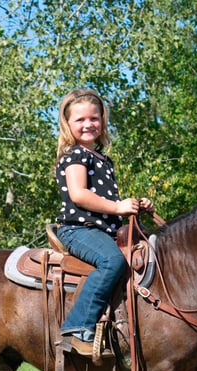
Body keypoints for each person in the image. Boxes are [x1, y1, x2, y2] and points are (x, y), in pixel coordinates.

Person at [54, 88, 153, 356]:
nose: (88, 125)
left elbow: (105, 201)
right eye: (80, 120)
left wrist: (135, 206)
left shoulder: (102, 159)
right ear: (68, 124)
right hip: (78, 230)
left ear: (103, 121)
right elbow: (79, 194)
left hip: (104, 231)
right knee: (113, 261)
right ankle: (77, 326)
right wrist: (118, 206)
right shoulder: (76, 155)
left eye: (94, 118)